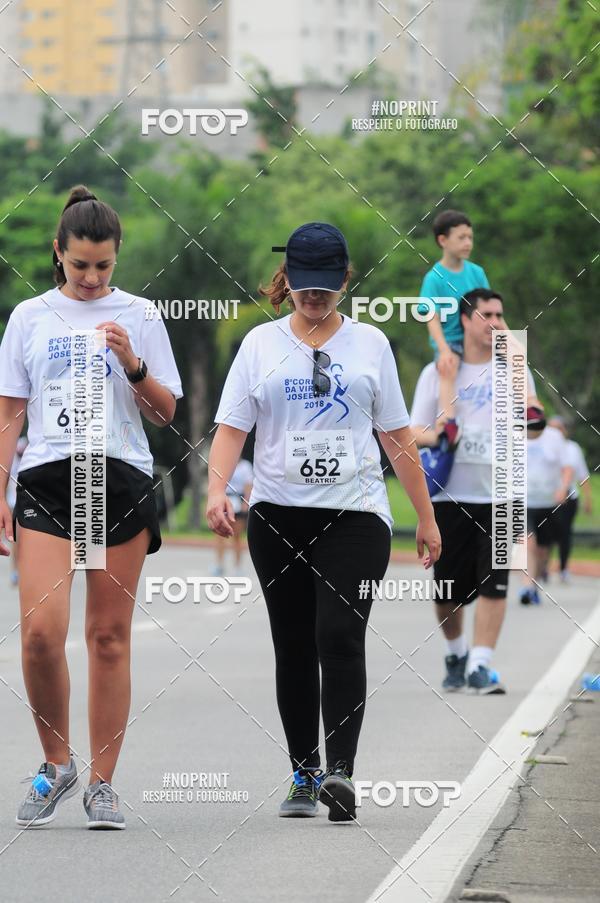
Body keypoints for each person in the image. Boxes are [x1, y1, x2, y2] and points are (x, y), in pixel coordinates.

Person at [206, 222, 441, 822]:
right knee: (293, 643)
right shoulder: (260, 344)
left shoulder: (372, 345)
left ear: (344, 278)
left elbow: (395, 435)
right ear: (287, 281)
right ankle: (303, 772)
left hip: (356, 516)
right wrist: (216, 492)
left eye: (325, 286)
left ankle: (340, 772)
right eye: (303, 286)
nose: (314, 297)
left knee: (340, 635)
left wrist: (427, 516)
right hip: (278, 515)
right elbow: (233, 426)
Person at [0, 186, 183, 829]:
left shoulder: (141, 315)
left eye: (103, 266)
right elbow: (9, 414)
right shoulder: (29, 316)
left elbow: (166, 414)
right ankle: (55, 763)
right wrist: (0, 487)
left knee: (107, 637)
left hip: (120, 478)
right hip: (48, 480)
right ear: (58, 252)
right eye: (80, 265)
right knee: (41, 634)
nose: (91, 278)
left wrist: (132, 364)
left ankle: (102, 782)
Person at [411, 288, 536, 694]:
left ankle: (481, 664)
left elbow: (532, 423)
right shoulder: (439, 371)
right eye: (487, 315)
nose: (496, 323)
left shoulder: (516, 369)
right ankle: (456, 652)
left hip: (503, 496)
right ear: (465, 320)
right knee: (448, 589)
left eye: (500, 315)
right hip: (450, 496)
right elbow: (412, 432)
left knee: (496, 581)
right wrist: (446, 435)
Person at [419, 210, 490, 448]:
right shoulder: (434, 278)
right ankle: (446, 423)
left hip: (480, 338)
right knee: (449, 367)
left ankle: (530, 407)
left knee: (516, 353)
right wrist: (444, 349)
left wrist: (505, 338)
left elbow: (489, 309)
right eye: (461, 237)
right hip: (454, 341)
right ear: (443, 240)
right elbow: (431, 317)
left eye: (470, 237)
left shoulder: (476, 272)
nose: (468, 243)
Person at [520, 417, 574, 604]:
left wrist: (563, 488)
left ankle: (534, 583)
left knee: (543, 549)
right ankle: (526, 587)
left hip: (549, 502)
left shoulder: (554, 437)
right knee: (528, 542)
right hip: (525, 500)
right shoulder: (515, 433)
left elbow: (567, 467)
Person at [547, 416, 592, 582]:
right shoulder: (539, 446)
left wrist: (588, 498)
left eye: (557, 429)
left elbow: (583, 475)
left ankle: (563, 568)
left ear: (564, 431)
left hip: (568, 499)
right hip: (545, 499)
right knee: (546, 534)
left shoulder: (573, 449)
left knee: (564, 533)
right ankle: (542, 567)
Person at [211, 457, 253, 576]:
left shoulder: (246, 466)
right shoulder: (223, 462)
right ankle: (219, 565)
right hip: (224, 500)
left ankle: (238, 567)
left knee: (237, 536)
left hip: (238, 502)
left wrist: (246, 502)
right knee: (219, 535)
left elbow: (248, 486)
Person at [5, 436, 27, 586]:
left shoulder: (29, 459)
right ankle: (15, 571)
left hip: (26, 504)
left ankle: (23, 570)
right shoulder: (12, 463)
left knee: (25, 541)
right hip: (13, 504)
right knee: (15, 541)